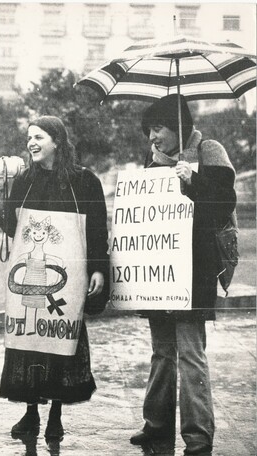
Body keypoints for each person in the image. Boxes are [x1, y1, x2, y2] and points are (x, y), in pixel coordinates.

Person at [0, 116, 109, 441]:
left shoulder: (84, 182)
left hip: (67, 283)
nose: (31, 143)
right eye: (29, 137)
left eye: (39, 137)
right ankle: (30, 413)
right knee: (28, 344)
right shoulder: (25, 181)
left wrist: (99, 268)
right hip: (31, 277)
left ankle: (55, 414)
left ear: (57, 140)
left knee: (60, 344)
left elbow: (97, 230)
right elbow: (13, 228)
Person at [129, 94, 236, 456]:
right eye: (149, 131)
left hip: (195, 270)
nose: (152, 138)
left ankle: (198, 436)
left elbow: (224, 205)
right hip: (160, 273)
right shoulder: (152, 162)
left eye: (157, 128)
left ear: (177, 125)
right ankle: (155, 424)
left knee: (190, 352)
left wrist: (193, 180)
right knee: (162, 351)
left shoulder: (210, 152)